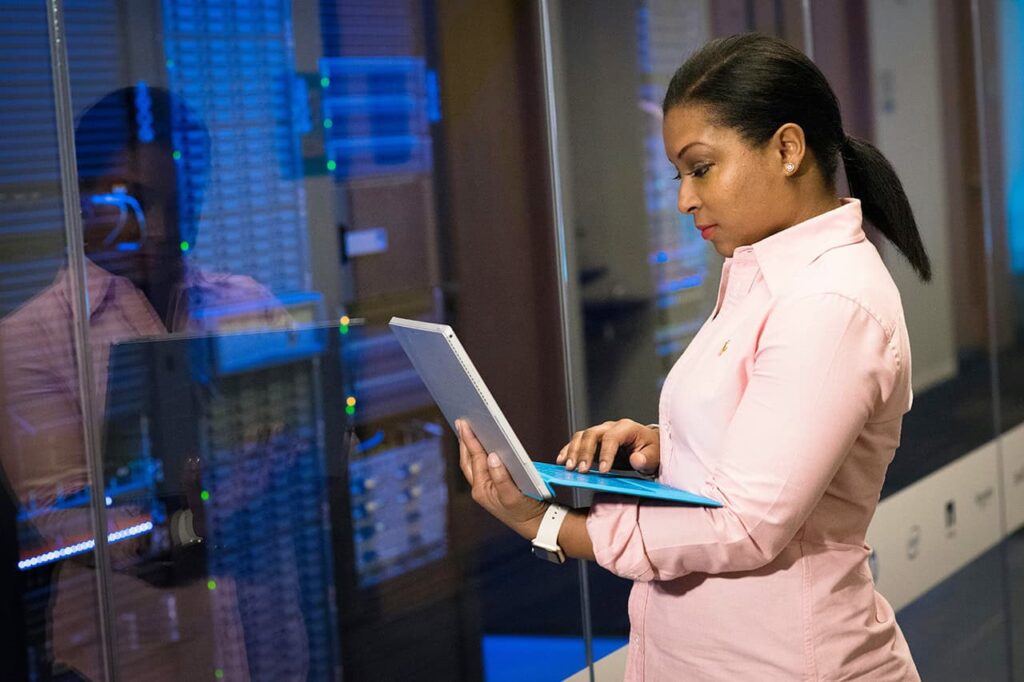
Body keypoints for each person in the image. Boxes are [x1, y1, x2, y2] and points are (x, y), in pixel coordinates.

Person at [456, 33, 925, 680]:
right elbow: (757, 444)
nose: (685, 199)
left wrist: (549, 524)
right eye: (679, 175)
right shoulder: (764, 278)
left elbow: (744, 524)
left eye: (701, 168)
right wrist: (662, 444)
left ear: (787, 149)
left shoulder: (830, 301)